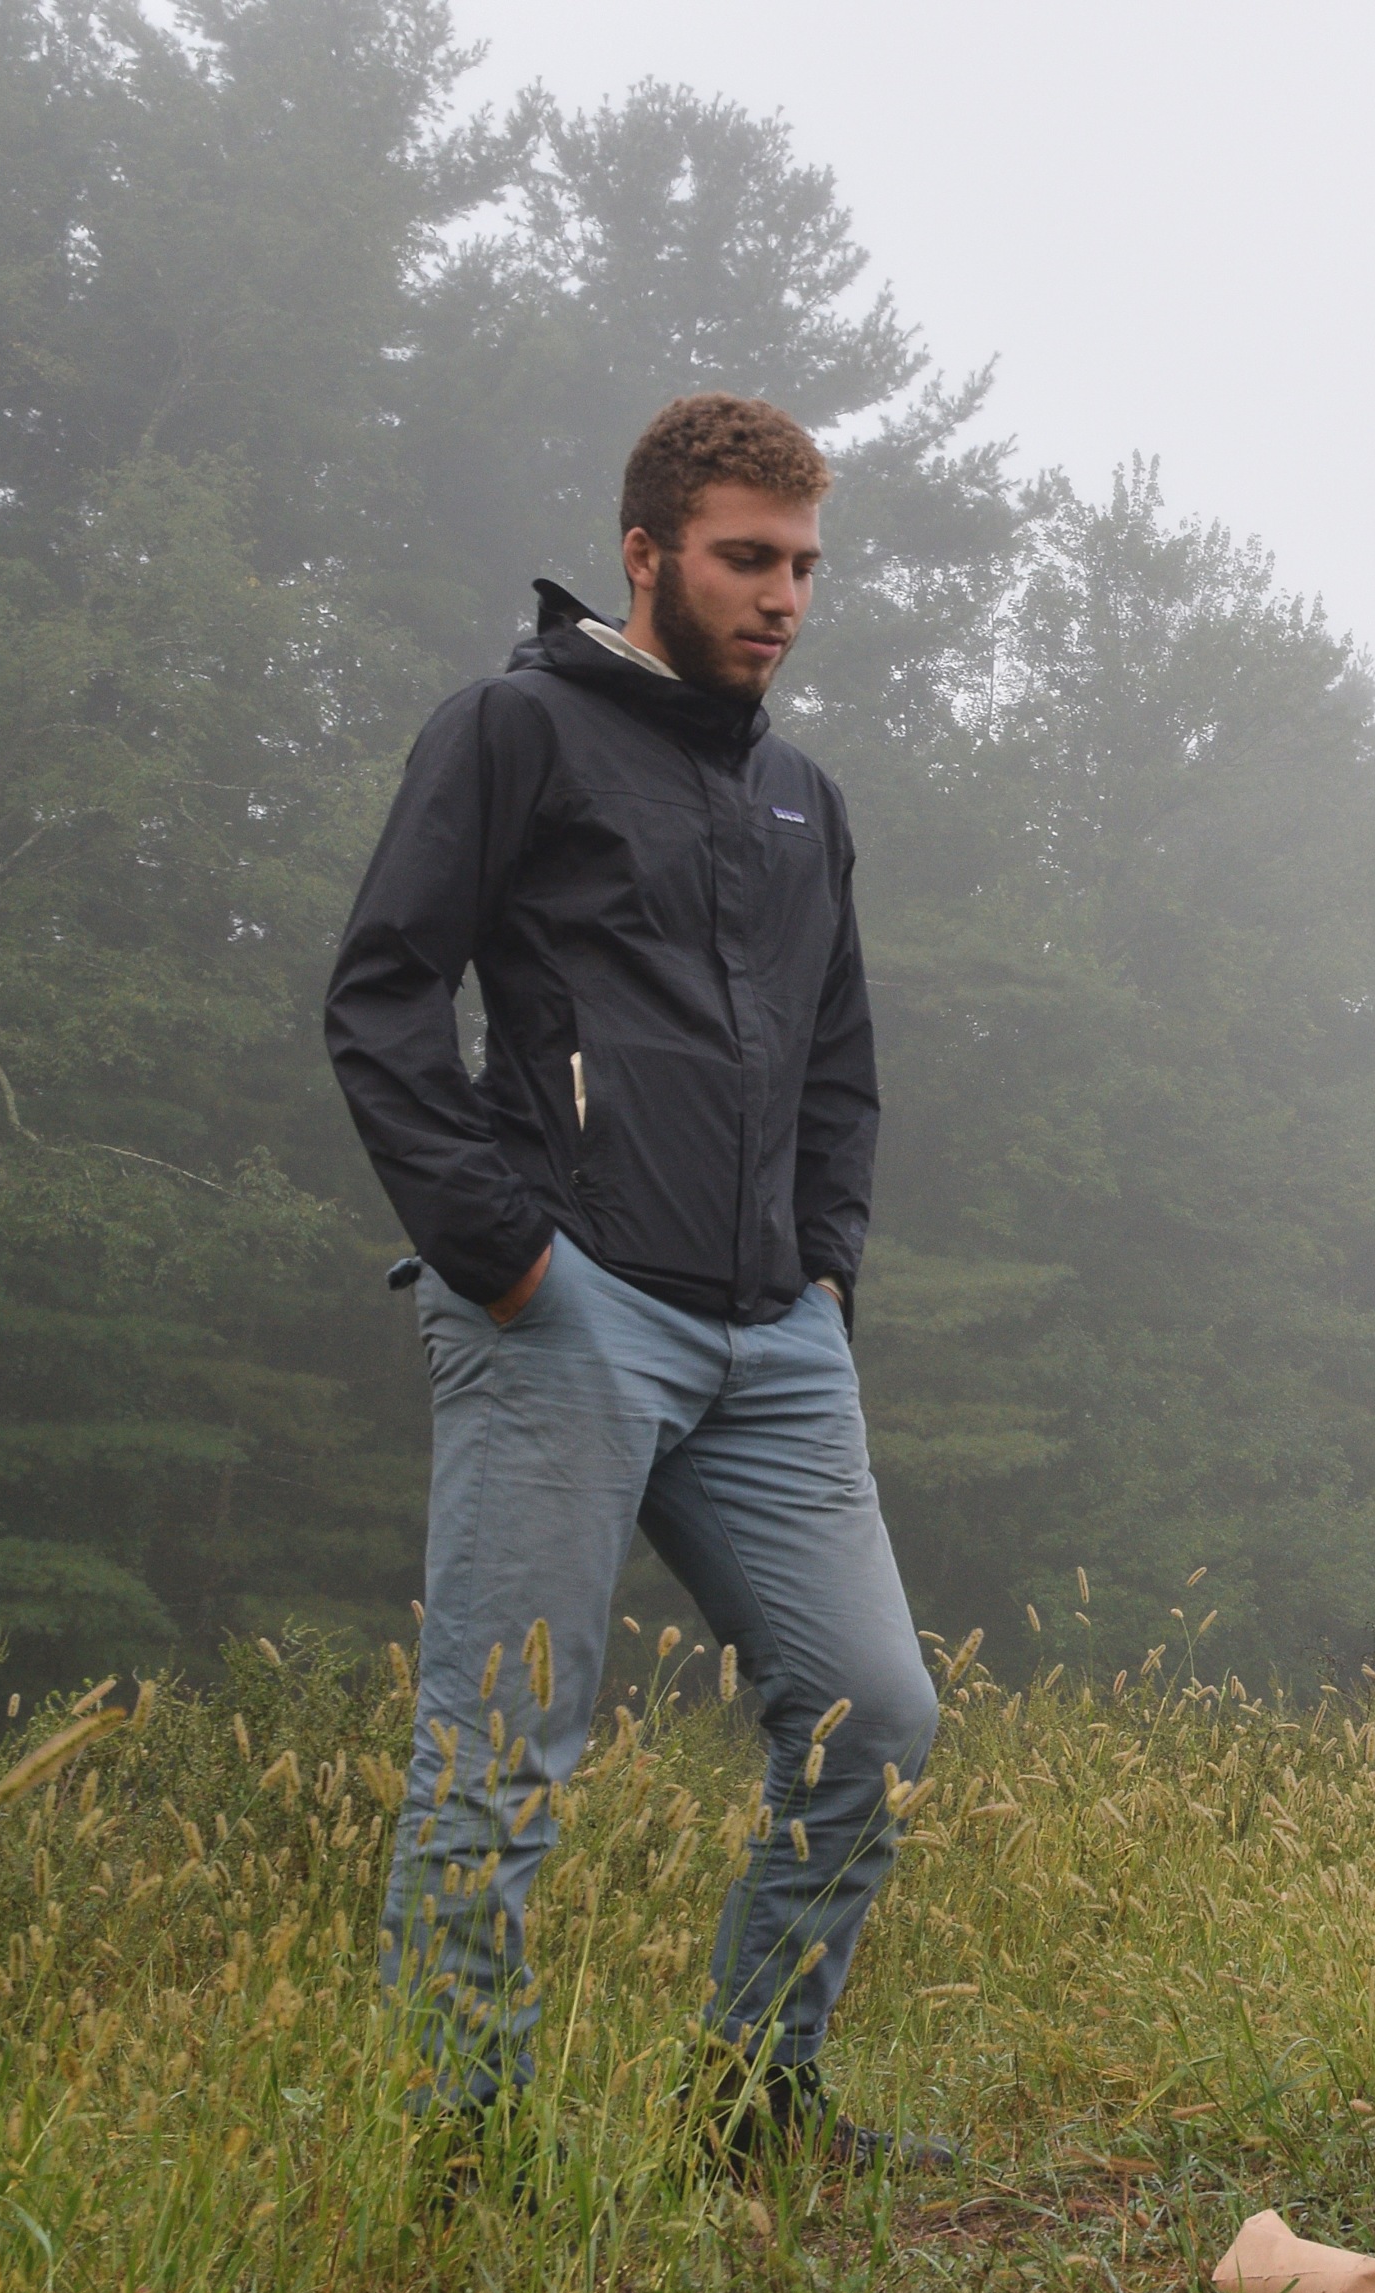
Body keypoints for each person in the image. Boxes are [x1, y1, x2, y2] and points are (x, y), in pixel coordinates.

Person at [324, 391, 945, 2177]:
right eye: (749, 559)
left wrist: (828, 1274)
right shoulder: (512, 732)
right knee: (502, 1748)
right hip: (567, 1309)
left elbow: (840, 1062)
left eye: (806, 566)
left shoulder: (800, 799)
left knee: (876, 1720)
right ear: (646, 554)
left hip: (776, 1337)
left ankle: (758, 2098)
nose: (784, 599)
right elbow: (381, 999)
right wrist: (505, 1251)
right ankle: (457, 2158)